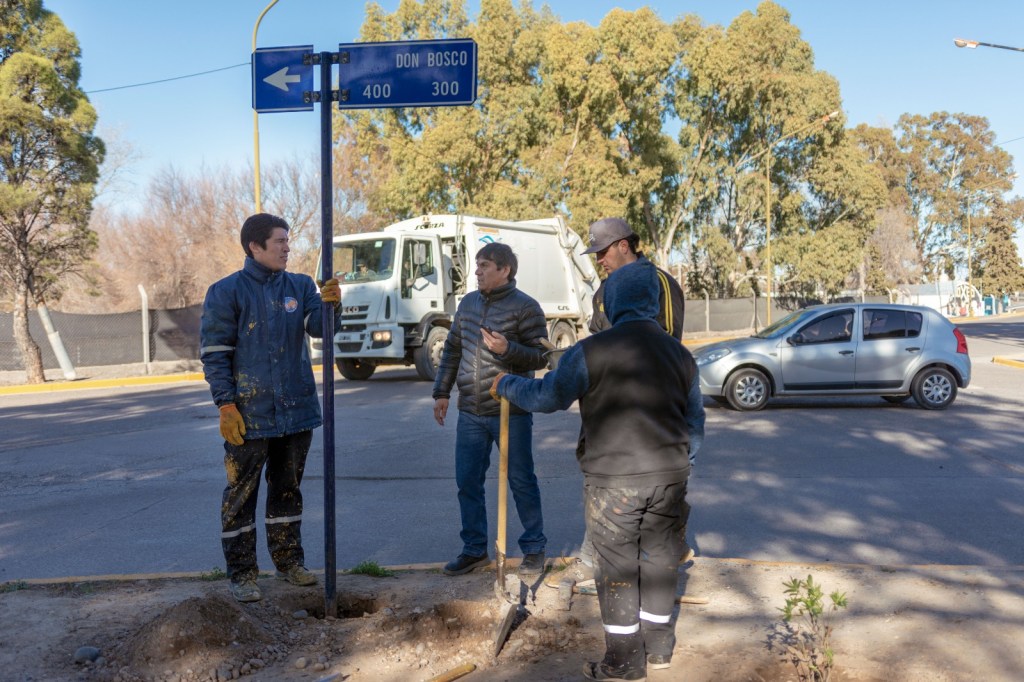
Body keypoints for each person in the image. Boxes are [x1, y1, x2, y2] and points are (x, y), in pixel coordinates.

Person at [493, 259, 705, 680]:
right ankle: (659, 648)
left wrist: (507, 384)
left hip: (615, 483)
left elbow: (549, 396)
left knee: (617, 567)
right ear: (650, 301)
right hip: (671, 477)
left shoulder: (590, 351)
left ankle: (624, 661)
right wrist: (681, 465)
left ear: (613, 302)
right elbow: (694, 422)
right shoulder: (680, 354)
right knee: (662, 561)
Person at [200, 213, 341, 603]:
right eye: (280, 241)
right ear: (255, 247)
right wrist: (226, 404)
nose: (287, 247)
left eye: (287, 240)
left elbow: (320, 330)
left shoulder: (300, 286)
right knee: (240, 494)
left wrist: (331, 306)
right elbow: (215, 353)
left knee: (287, 491)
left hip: (296, 412)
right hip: (249, 415)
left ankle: (289, 562)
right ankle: (243, 574)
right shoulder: (226, 292)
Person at [550, 217, 690, 592]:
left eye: (603, 251)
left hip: (653, 404)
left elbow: (670, 343)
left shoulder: (661, 283)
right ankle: (598, 557)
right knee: (601, 483)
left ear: (625, 245)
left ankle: (661, 550)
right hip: (607, 404)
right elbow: (597, 339)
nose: (599, 260)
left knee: (660, 482)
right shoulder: (604, 291)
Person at [432, 242, 550, 577]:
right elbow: (453, 349)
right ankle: (474, 549)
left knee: (521, 481)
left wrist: (508, 348)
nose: (478, 271)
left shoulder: (526, 308)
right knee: (467, 482)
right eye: (477, 265)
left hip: (511, 409)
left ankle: (534, 549)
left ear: (505, 270)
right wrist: (441, 392)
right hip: (470, 410)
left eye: (485, 265)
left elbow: (541, 357)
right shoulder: (468, 304)